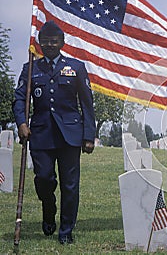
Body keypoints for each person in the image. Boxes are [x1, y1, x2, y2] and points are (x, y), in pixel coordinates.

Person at [13, 20, 96, 244]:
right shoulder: (30, 68)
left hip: (70, 135)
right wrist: (21, 122)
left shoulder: (76, 67)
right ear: (39, 43)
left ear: (62, 43)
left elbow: (87, 104)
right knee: (44, 179)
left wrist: (89, 136)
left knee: (70, 185)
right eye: (46, 41)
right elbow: (20, 99)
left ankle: (66, 230)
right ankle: (48, 209)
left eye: (54, 41)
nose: (50, 45)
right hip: (40, 135)